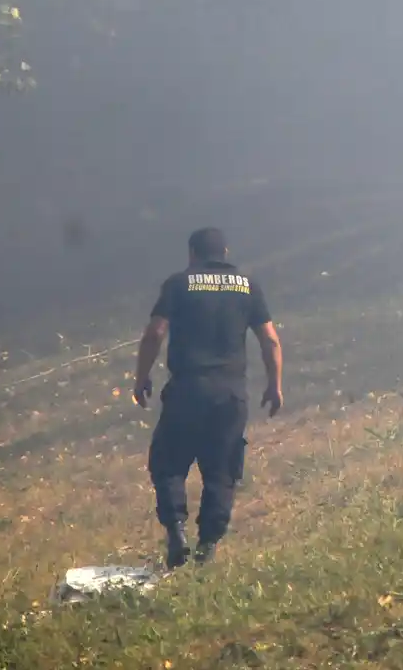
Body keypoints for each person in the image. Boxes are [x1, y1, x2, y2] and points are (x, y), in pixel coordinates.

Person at [134, 227, 283, 569]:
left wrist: (141, 377)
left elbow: (156, 332)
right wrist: (274, 385)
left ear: (192, 253)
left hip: (187, 390)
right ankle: (207, 547)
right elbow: (270, 340)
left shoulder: (178, 284)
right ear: (225, 252)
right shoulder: (247, 286)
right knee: (222, 470)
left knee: (169, 464)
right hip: (229, 394)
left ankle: (176, 533)